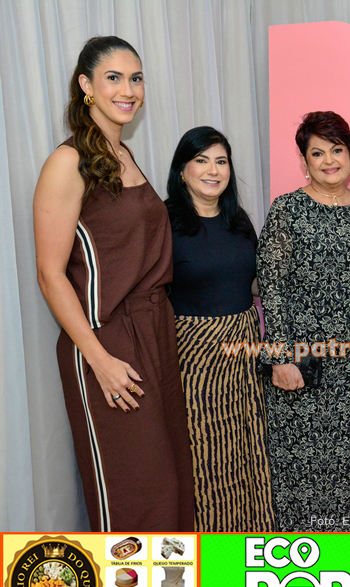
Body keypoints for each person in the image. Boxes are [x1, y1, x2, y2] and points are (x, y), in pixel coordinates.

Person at [33, 36, 194, 531]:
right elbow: (50, 274)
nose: (128, 90)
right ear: (86, 85)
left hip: (154, 333)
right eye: (114, 78)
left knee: (170, 484)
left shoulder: (123, 153)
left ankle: (173, 586)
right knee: (134, 495)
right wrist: (99, 361)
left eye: (136, 78)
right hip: (108, 342)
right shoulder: (67, 163)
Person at [257, 111, 350, 532]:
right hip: (301, 371)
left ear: (349, 154)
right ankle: (301, 564)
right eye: (317, 153)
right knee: (301, 479)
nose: (329, 160)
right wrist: (280, 358)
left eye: (337, 150)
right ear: (304, 161)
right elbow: (272, 287)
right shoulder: (287, 210)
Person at [165, 126, 276, 532]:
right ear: (182, 170)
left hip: (244, 357)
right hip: (194, 361)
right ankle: (210, 550)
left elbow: (254, 284)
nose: (213, 170)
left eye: (221, 161)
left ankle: (251, 545)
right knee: (207, 460)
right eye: (202, 160)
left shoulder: (238, 220)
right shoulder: (164, 222)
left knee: (248, 453)